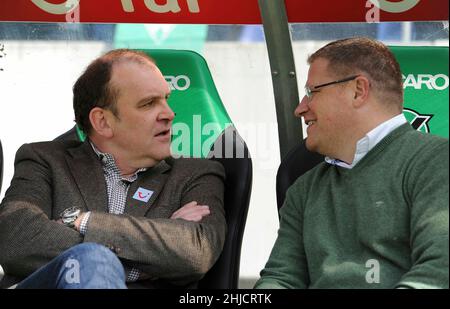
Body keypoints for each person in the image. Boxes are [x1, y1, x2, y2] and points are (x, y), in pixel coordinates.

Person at [0, 49, 227, 289]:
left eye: (166, 100)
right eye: (148, 103)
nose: (169, 114)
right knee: (93, 260)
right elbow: (16, 240)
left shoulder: (196, 175)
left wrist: (84, 221)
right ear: (102, 122)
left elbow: (196, 251)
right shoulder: (44, 160)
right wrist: (156, 249)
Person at [255, 37, 449, 289]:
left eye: (312, 92)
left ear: (358, 90)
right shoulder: (304, 187)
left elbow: (439, 271)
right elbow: (280, 278)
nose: (300, 108)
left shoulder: (436, 162)